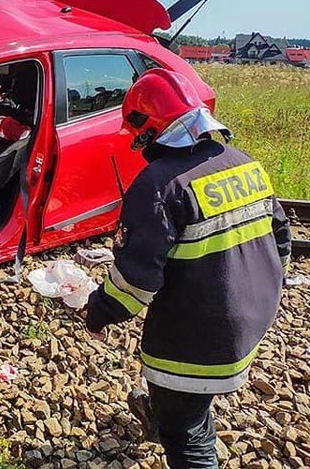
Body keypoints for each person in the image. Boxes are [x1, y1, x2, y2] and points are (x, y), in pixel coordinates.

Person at [85, 68, 291, 469]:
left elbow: (135, 283)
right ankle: (169, 413)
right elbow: (280, 242)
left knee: (186, 435)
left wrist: (98, 312)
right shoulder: (244, 164)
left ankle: (176, 423)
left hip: (197, 341)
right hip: (253, 320)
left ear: (148, 130)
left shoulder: (159, 185)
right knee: (189, 406)